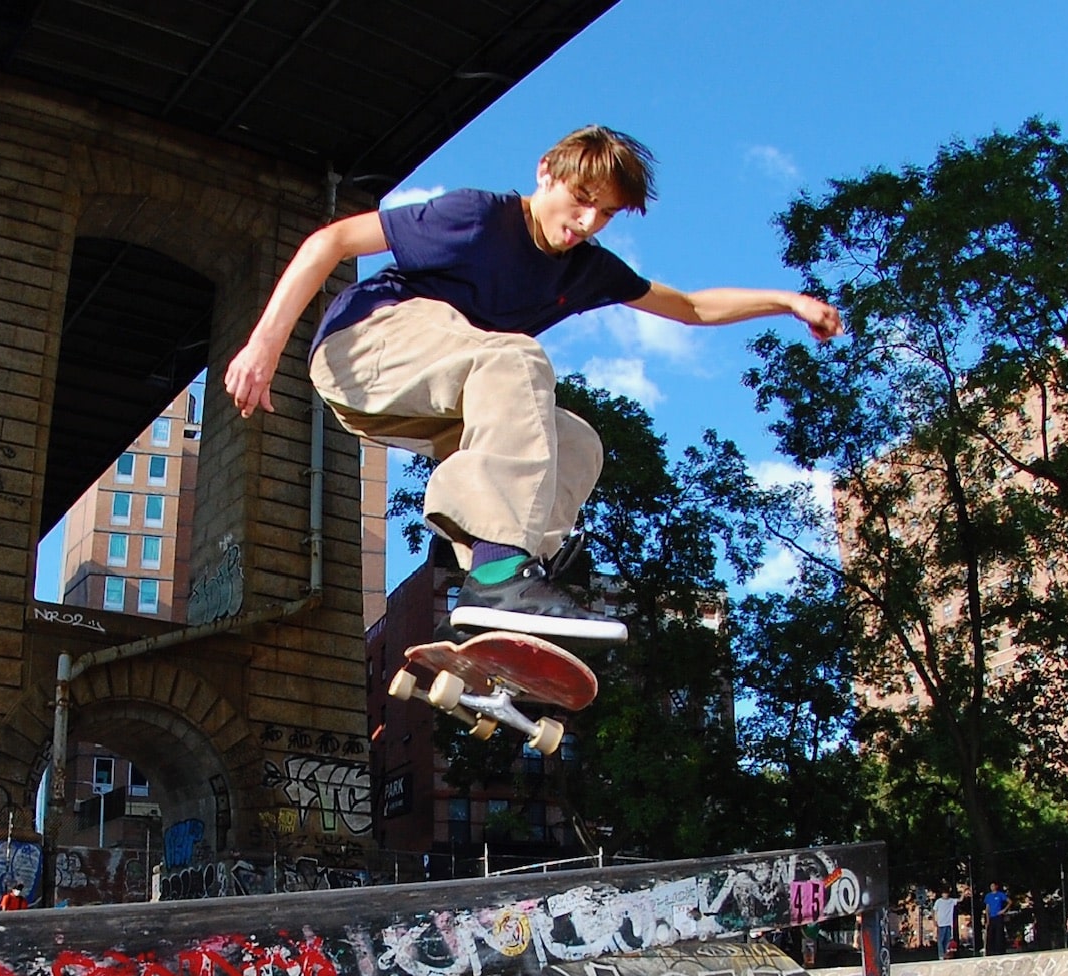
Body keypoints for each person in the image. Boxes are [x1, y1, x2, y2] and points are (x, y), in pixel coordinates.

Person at [225, 126, 842, 643]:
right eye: (580, 198)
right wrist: (263, 345)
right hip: (365, 348)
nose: (587, 221)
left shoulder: (588, 269)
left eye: (605, 213)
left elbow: (690, 308)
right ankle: (501, 577)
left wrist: (786, 301)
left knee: (574, 442)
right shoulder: (476, 216)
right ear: (546, 171)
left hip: (430, 397)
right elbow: (333, 240)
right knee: (517, 360)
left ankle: (496, 604)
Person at [932, 889, 960, 959]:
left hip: (948, 923)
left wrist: (964, 893)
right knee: (940, 940)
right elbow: (934, 910)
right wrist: (934, 921)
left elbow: (959, 900)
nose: (945, 895)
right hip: (941, 923)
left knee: (947, 940)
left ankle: (947, 954)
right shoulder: (938, 901)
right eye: (944, 893)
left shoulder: (951, 901)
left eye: (946, 893)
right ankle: (941, 955)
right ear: (942, 894)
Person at [983, 881, 1010, 955]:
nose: (992, 887)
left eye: (993, 886)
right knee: (991, 933)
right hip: (992, 917)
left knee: (999, 934)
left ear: (996, 886)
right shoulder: (988, 896)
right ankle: (990, 951)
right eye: (991, 886)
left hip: (998, 916)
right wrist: (987, 919)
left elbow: (1009, 902)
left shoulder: (1000, 894)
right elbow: (987, 908)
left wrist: (1003, 910)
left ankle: (1000, 950)